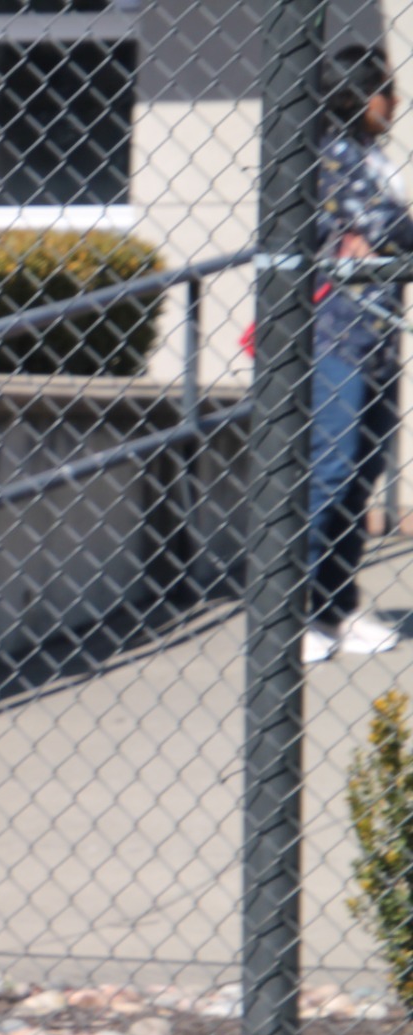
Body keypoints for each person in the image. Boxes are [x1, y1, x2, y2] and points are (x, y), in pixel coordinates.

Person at [307, 43, 413, 663]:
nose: (395, 102)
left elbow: (383, 231)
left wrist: (380, 235)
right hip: (335, 338)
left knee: (363, 476)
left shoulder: (373, 160)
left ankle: (336, 609)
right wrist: (381, 233)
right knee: (332, 468)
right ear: (357, 94)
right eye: (387, 91)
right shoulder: (326, 159)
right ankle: (294, 613)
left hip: (376, 340)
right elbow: (386, 228)